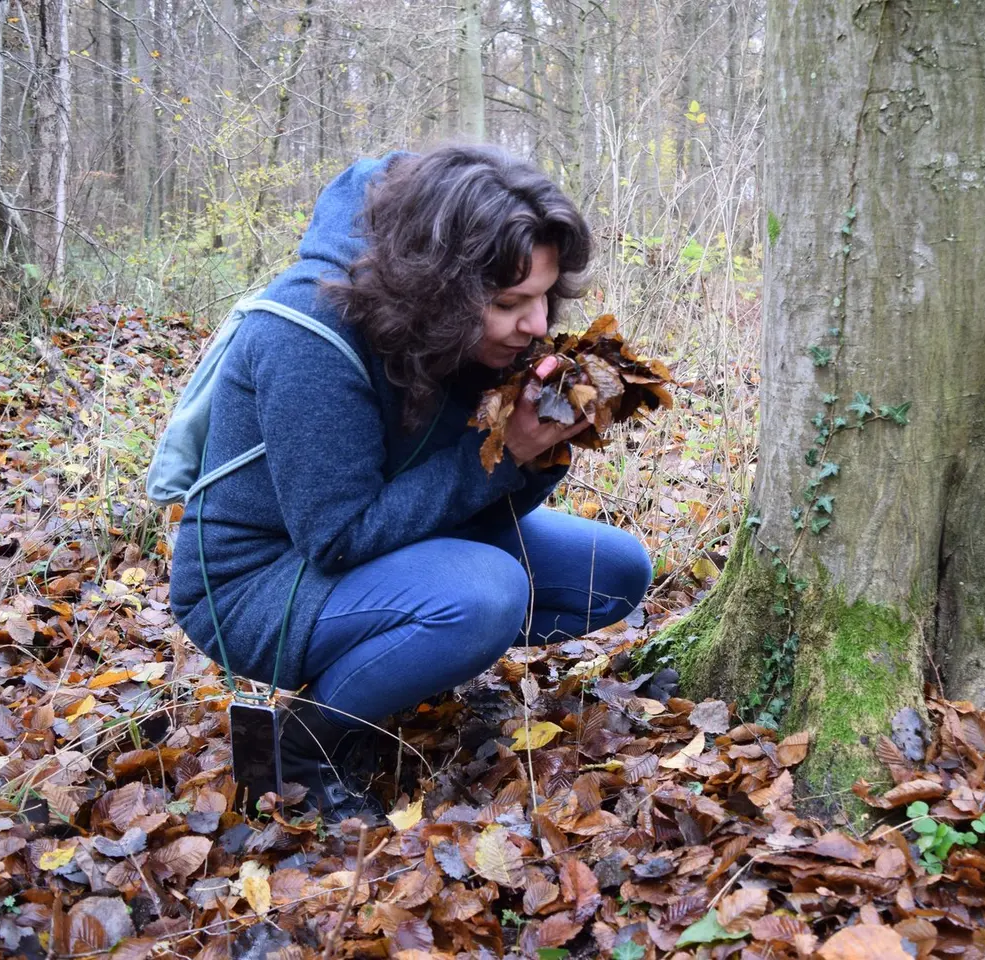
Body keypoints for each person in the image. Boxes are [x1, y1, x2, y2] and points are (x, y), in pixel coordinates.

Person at [169, 145, 654, 821]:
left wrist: (538, 451)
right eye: (512, 302)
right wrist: (505, 453)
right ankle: (305, 747)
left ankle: (401, 667)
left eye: (545, 295)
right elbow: (337, 537)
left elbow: (485, 519)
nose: (538, 324)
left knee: (616, 571)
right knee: (487, 595)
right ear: (438, 289)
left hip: (378, 548)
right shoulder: (308, 334)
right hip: (258, 585)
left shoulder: (477, 336)